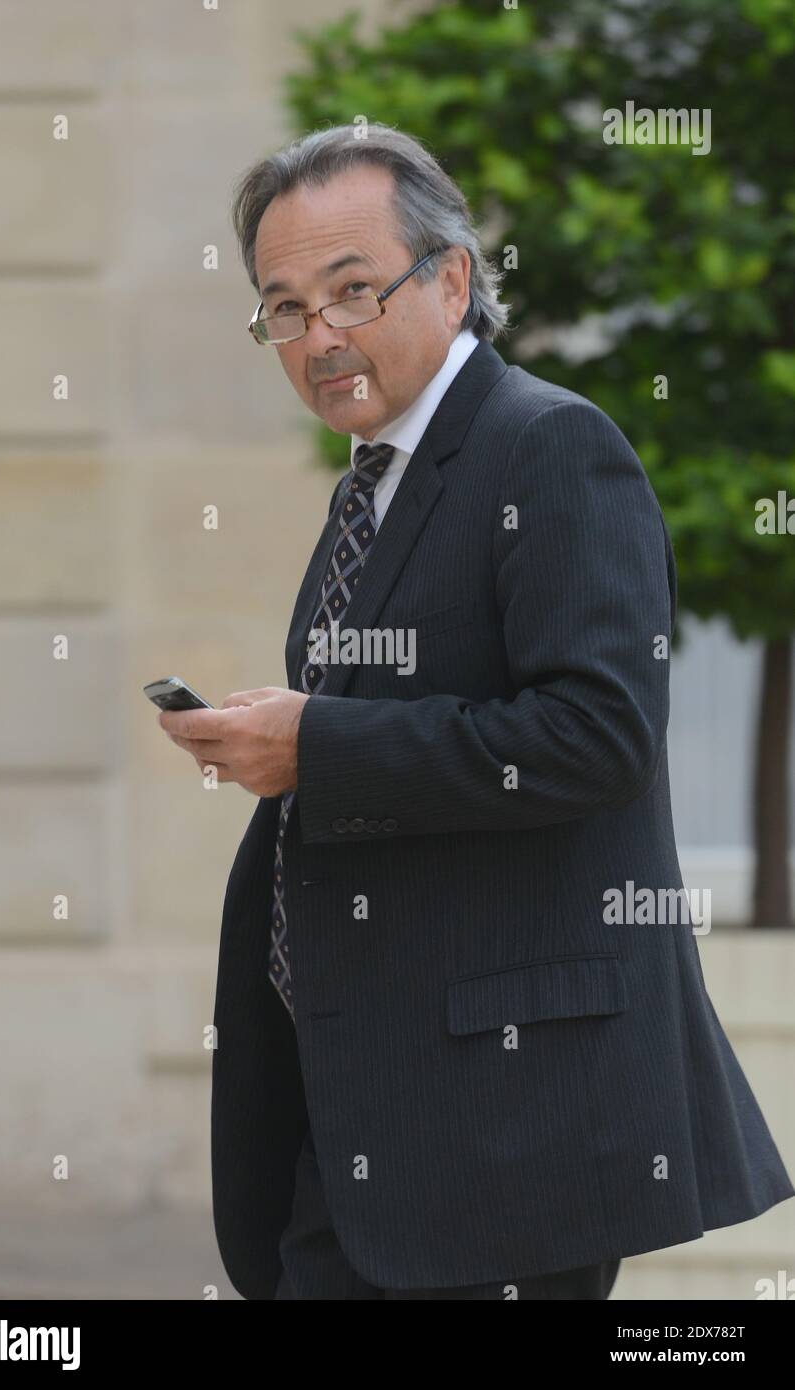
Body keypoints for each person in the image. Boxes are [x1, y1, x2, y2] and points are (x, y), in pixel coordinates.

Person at [158, 123, 794, 1300]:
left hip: (498, 1134)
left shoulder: (549, 446)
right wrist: (294, 741)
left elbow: (595, 735)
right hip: (360, 1110)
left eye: (352, 290)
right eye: (284, 309)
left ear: (449, 276)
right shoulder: (380, 475)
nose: (320, 338)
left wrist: (315, 742)